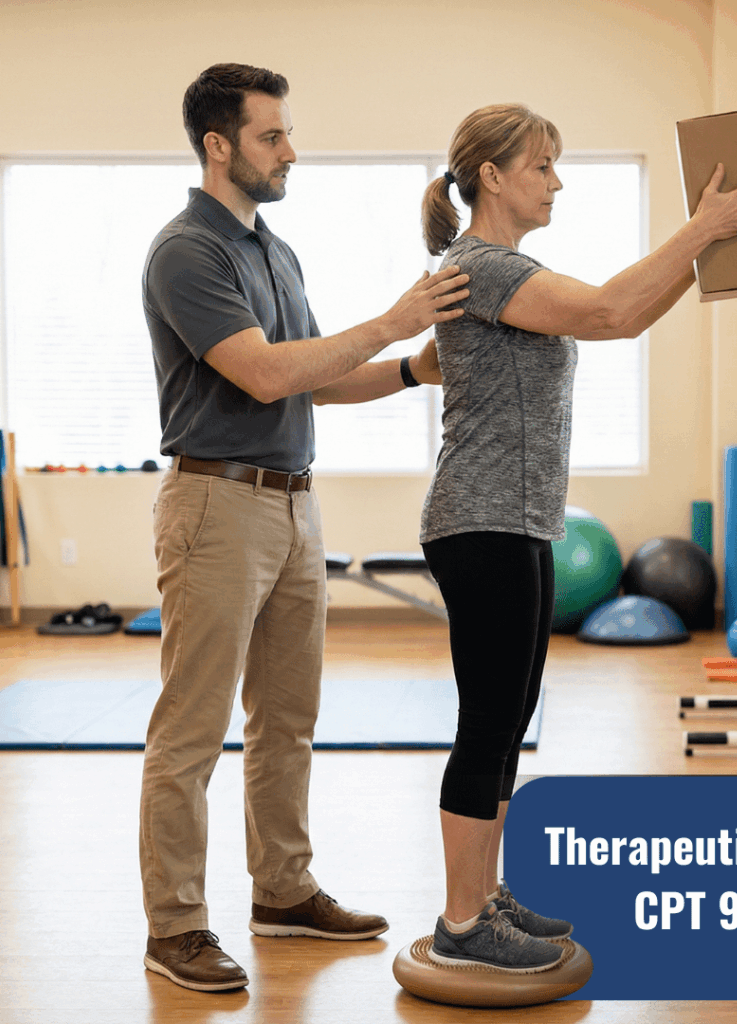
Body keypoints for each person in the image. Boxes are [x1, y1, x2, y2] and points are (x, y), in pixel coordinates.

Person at [418, 103, 737, 972]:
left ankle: (484, 897)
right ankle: (462, 922)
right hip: (481, 520)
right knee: (488, 723)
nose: (558, 182)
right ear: (491, 176)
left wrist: (708, 247)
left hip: (518, 519)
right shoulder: (481, 267)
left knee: (509, 721)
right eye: (542, 165)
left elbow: (629, 314)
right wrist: (702, 228)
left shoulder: (510, 269)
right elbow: (611, 311)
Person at [138, 62, 469, 993]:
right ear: (219, 145)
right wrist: (393, 321)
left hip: (292, 502)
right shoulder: (185, 253)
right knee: (191, 730)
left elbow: (316, 376)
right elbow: (265, 374)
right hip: (216, 504)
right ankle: (175, 929)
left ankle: (282, 891)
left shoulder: (274, 251)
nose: (291, 151)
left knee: (287, 719)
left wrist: (413, 367)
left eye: (287, 132)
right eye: (272, 135)